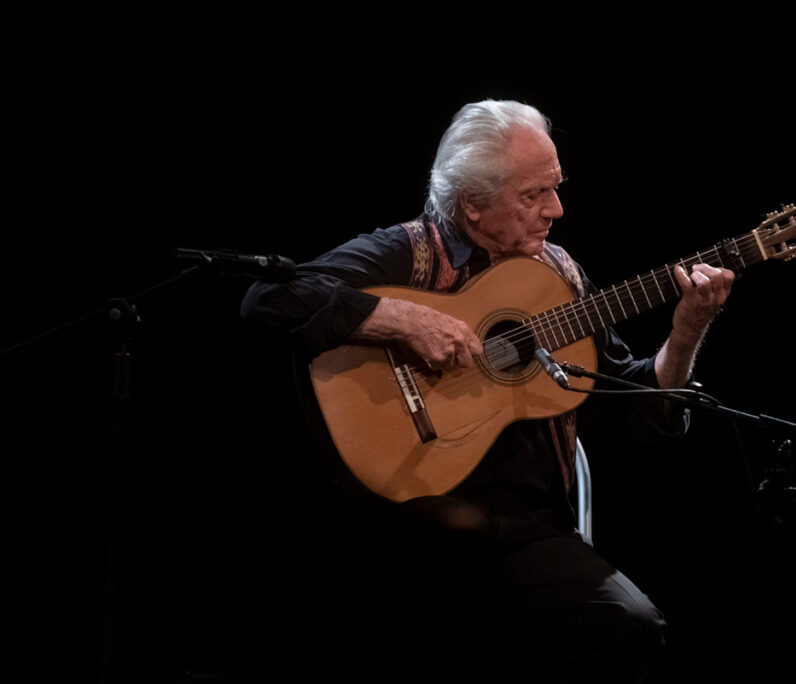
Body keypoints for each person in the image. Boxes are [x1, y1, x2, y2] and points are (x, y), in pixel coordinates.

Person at [240, 99, 734, 683]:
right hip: (403, 517)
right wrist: (400, 319)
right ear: (471, 205)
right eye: (533, 196)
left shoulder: (560, 276)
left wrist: (685, 335)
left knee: (631, 624)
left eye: (556, 187)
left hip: (522, 528)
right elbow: (268, 300)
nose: (556, 209)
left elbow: (633, 410)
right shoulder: (408, 253)